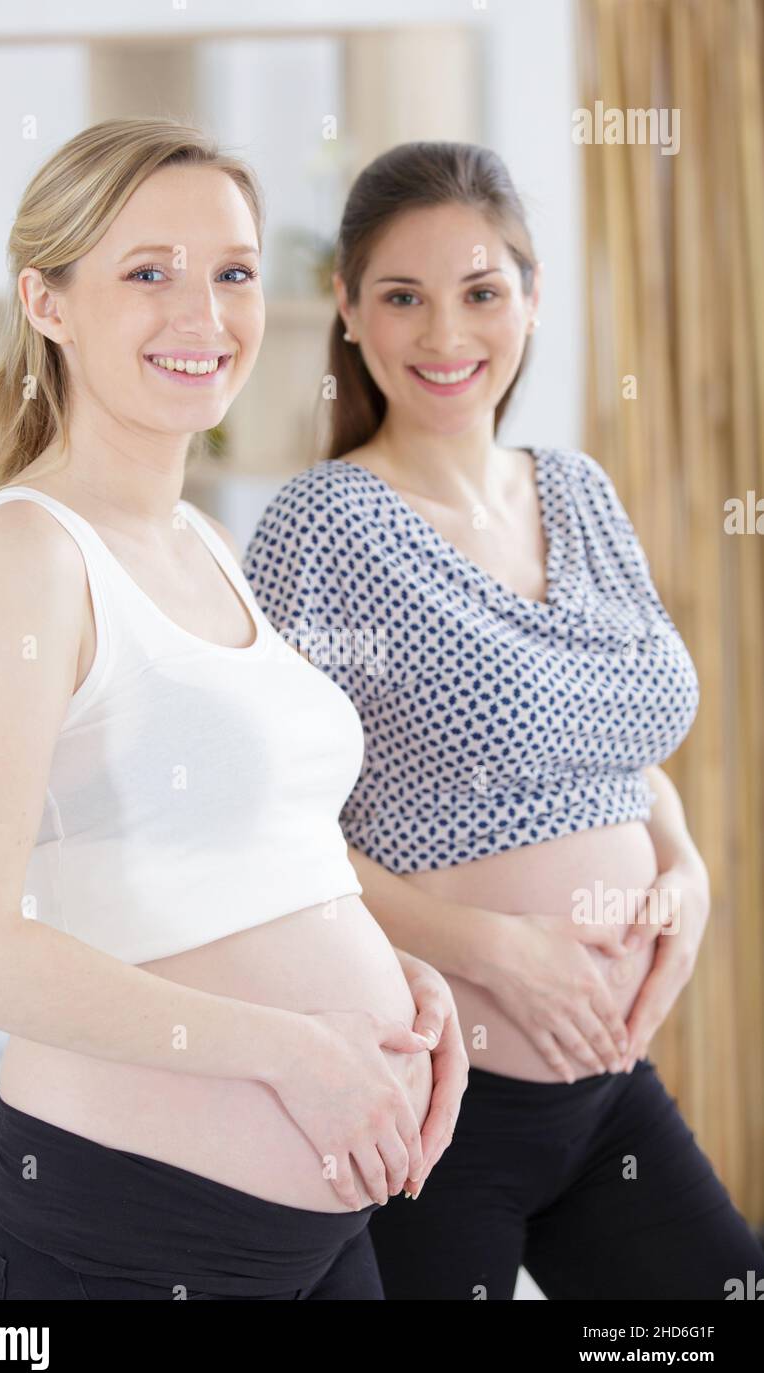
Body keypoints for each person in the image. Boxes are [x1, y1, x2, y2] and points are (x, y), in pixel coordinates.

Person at [0, 118, 470, 1302]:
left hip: (316, 1229)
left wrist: (399, 979)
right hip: (126, 1234)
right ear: (47, 303)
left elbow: (253, 851)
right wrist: (297, 1050)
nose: (203, 314)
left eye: (232, 272)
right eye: (146, 272)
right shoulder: (24, 556)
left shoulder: (204, 541)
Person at [241, 140, 764, 1300]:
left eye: (480, 292)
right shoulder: (320, 527)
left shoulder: (572, 488)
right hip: (435, 1106)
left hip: (605, 1092)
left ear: (529, 297)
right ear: (346, 309)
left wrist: (680, 870)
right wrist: (498, 953)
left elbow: (618, 748)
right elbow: (270, 838)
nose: (444, 336)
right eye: (402, 297)